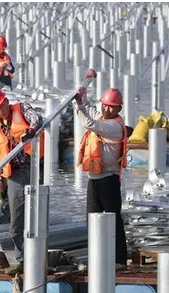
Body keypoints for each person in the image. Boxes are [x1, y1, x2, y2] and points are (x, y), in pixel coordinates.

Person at [0, 87, 44, 275]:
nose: (0, 111)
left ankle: (39, 258)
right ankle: (21, 259)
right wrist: (0, 182)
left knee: (36, 214)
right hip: (14, 174)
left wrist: (32, 130)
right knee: (16, 218)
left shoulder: (22, 108)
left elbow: (37, 118)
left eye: (1, 106)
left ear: (6, 101)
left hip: (34, 168)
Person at [74, 69, 128, 270]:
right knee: (92, 219)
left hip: (109, 180)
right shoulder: (104, 118)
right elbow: (89, 110)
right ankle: (97, 256)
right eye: (104, 105)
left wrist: (78, 105)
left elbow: (88, 121)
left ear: (118, 108)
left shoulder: (113, 126)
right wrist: (83, 96)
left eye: (111, 107)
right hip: (94, 179)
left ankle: (120, 260)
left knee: (113, 219)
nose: (106, 109)